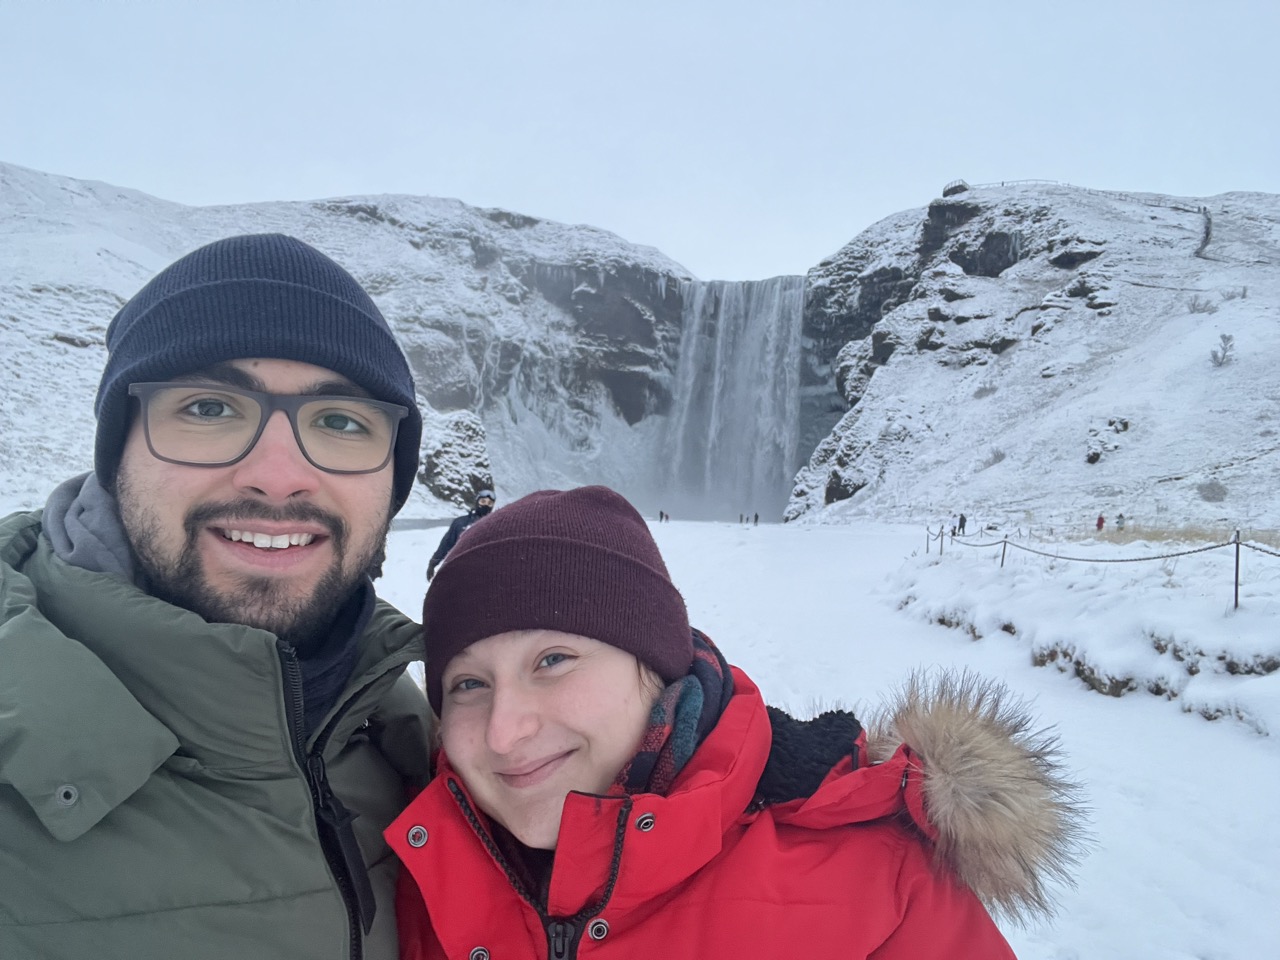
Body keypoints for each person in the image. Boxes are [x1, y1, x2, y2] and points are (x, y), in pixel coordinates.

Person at [388, 486, 1083, 958]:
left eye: (554, 660)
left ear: (655, 668)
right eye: (469, 682)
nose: (505, 731)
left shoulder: (886, 890)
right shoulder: (403, 870)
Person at [0, 234, 434, 959]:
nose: (278, 475)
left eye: (341, 421)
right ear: (117, 453)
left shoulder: (423, 742)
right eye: (207, 408)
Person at [426, 489, 495, 581]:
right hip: (459, 570)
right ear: (477, 502)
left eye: (489, 503)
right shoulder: (460, 523)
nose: (486, 505)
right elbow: (446, 544)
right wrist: (434, 562)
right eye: (483, 501)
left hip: (484, 573)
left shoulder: (495, 525)